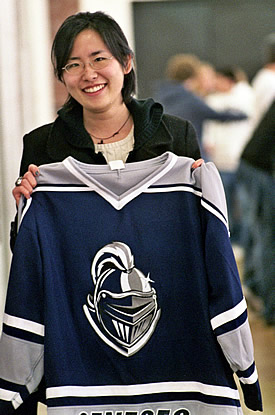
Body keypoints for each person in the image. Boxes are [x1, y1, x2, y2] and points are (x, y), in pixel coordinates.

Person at [1, 11, 262, 415]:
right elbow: (33, 261)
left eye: (98, 58)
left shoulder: (176, 137)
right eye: (72, 64)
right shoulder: (42, 148)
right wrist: (24, 209)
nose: (88, 73)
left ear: (126, 62)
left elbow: (213, 254)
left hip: (180, 365)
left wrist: (242, 365)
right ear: (62, 77)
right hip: (84, 370)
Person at [202, 66, 255, 242]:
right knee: (224, 204)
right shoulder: (212, 100)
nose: (216, 83)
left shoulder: (244, 95)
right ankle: (230, 239)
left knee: (246, 204)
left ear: (228, 80)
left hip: (241, 160)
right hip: (221, 162)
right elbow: (209, 128)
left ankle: (246, 241)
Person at [152, 54, 248, 146]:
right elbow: (218, 115)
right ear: (193, 76)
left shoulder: (160, 96)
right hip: (190, 153)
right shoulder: (190, 100)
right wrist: (241, 114)